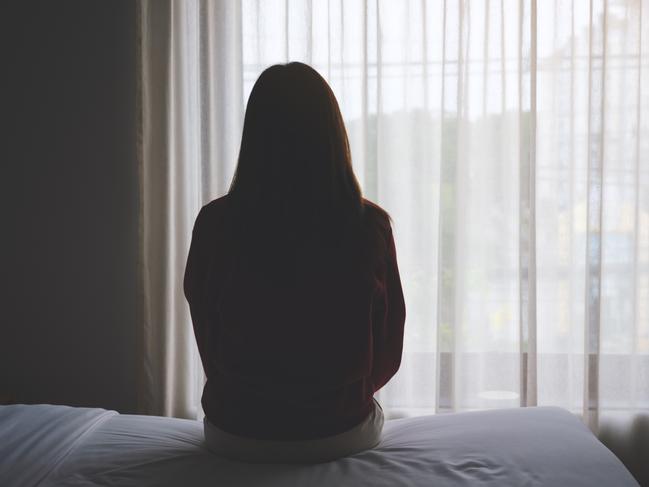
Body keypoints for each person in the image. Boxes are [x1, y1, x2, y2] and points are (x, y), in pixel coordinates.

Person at [183, 62, 405, 464]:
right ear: (332, 135)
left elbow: (208, 337)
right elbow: (389, 348)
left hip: (235, 432)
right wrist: (331, 398)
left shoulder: (214, 224)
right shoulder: (369, 226)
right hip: (340, 431)